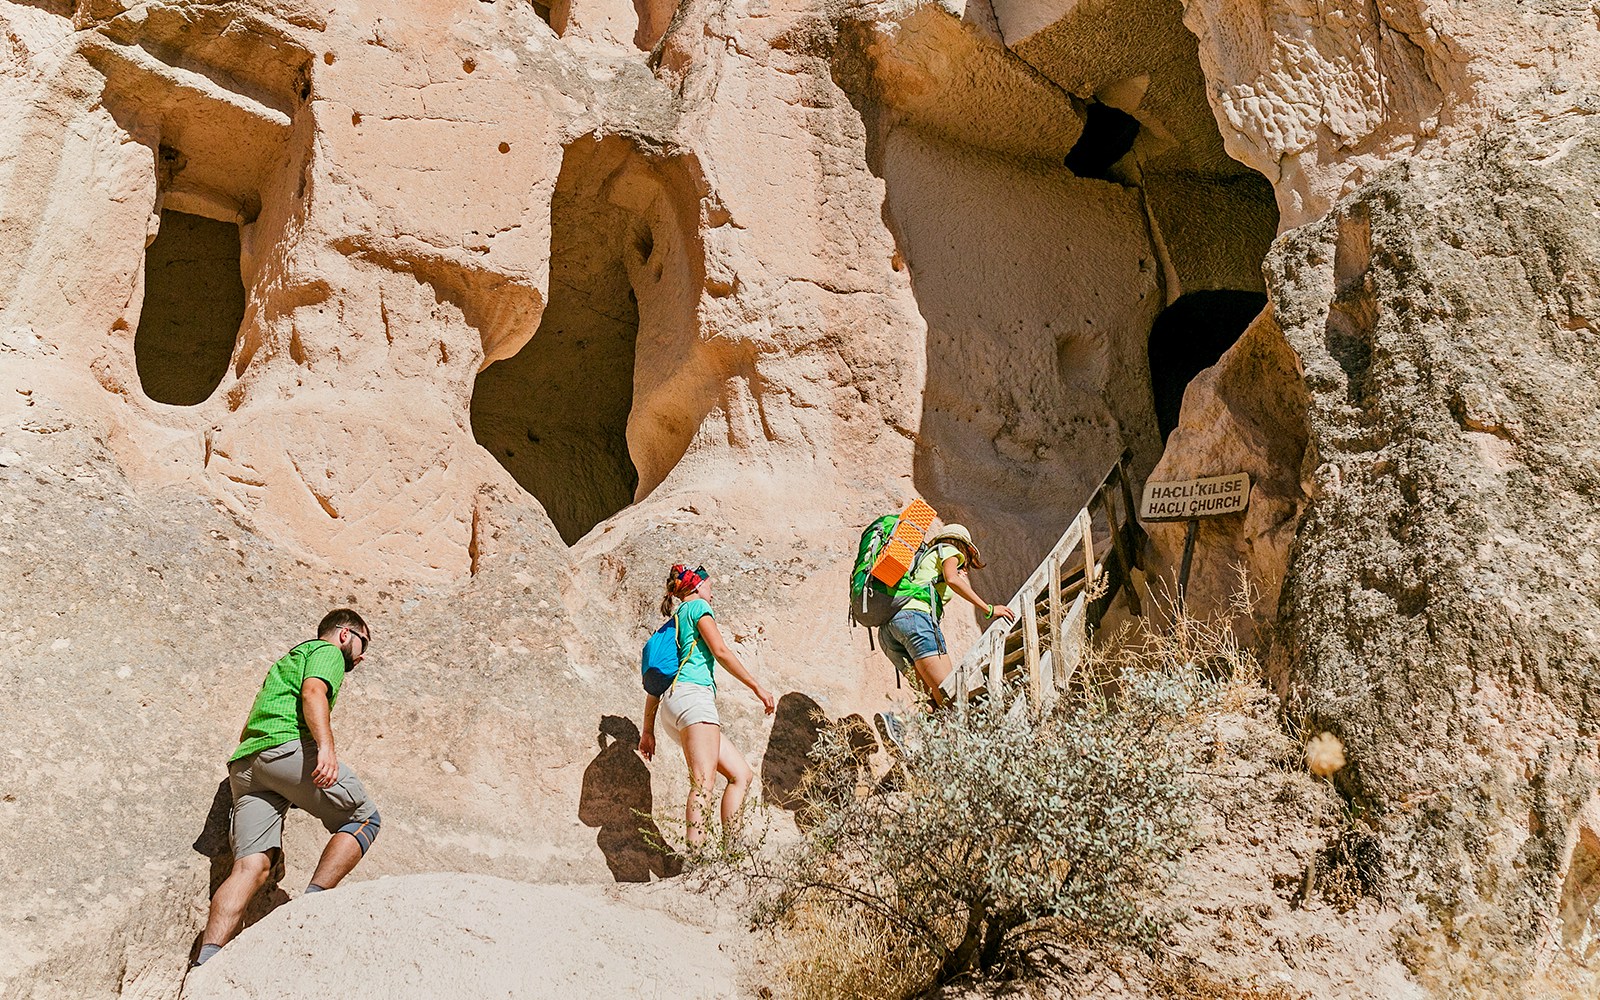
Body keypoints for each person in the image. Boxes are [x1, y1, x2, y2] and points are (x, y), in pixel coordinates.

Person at [192, 609, 381, 967]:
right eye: (363, 643)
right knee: (364, 819)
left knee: (250, 868)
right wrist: (326, 747)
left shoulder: (288, 660)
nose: (363, 654)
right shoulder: (325, 652)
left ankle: (206, 961)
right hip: (286, 748)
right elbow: (313, 693)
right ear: (344, 634)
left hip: (247, 766)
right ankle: (309, 909)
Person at [638, 564, 775, 849]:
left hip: (674, 706)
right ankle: (696, 857)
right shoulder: (698, 607)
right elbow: (721, 651)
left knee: (740, 774)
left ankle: (732, 852)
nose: (712, 594)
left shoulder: (675, 620)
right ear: (698, 586)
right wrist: (756, 687)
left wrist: (648, 731)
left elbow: (658, 680)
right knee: (703, 784)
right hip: (694, 699)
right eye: (710, 586)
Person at [875, 525, 1016, 744]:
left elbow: (944, 581)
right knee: (952, 697)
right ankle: (942, 745)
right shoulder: (950, 550)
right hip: (916, 621)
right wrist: (988, 609)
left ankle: (905, 725)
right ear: (966, 548)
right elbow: (952, 579)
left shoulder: (925, 560)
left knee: (938, 698)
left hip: (889, 631)